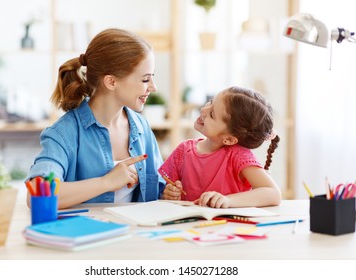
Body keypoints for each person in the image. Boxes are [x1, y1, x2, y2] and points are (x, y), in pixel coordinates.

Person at [26, 28, 165, 209]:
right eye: (145, 79)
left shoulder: (141, 127)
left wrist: (168, 191)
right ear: (111, 82)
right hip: (86, 235)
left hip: (136, 234)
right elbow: (37, 195)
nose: (153, 87)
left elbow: (160, 185)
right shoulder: (64, 133)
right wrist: (106, 182)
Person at [159, 86, 282, 208]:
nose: (204, 109)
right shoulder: (183, 150)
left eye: (212, 114)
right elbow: (161, 188)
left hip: (230, 226)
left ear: (229, 139)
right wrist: (168, 193)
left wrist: (228, 200)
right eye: (211, 102)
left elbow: (274, 194)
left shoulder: (238, 155)